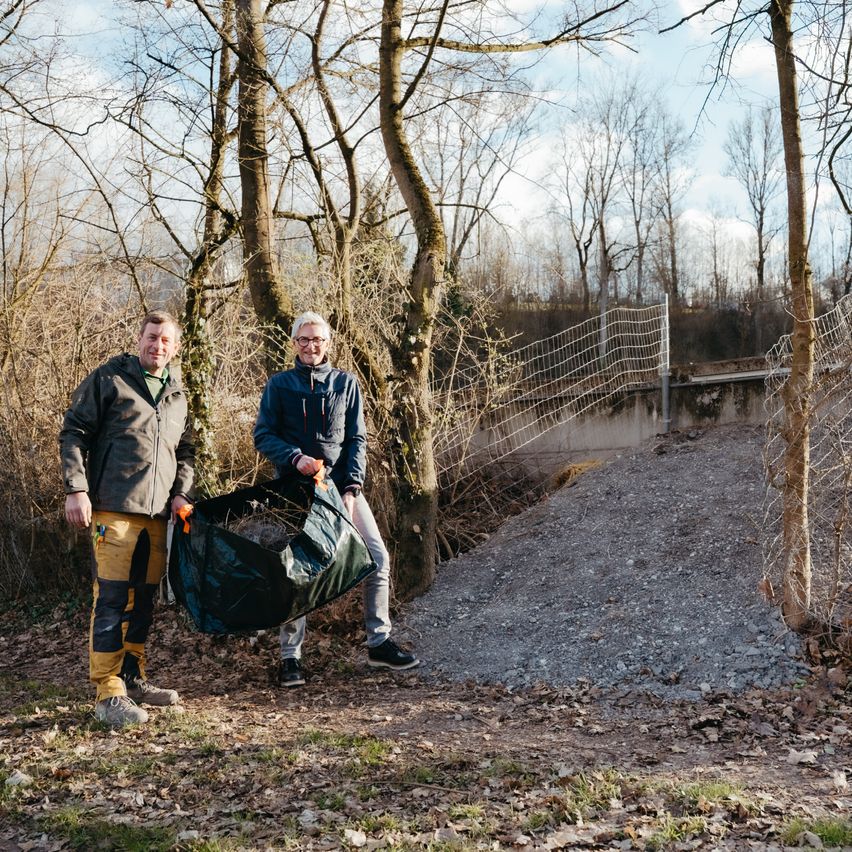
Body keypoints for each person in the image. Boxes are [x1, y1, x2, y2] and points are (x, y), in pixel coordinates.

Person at [254, 311, 419, 687]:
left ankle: (379, 643)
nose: (311, 346)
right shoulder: (279, 385)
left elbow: (357, 439)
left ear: (328, 343)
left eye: (318, 339)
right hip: (296, 493)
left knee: (377, 558)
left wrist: (352, 488)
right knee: (295, 571)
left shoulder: (346, 383)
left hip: (342, 489)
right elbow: (263, 435)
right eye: (304, 339)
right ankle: (290, 656)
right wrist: (294, 457)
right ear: (294, 344)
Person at [60, 310, 194, 727]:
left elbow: (186, 451)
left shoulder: (177, 394)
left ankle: (133, 679)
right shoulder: (110, 378)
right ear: (140, 340)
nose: (158, 345)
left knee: (144, 602)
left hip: (157, 515)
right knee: (113, 599)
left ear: (175, 347)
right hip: (113, 508)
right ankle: (108, 692)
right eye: (152, 337)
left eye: (166, 340)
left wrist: (182, 493)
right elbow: (74, 432)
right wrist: (76, 489)